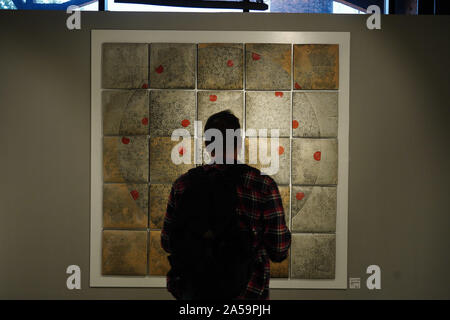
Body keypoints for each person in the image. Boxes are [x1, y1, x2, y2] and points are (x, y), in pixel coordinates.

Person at [161, 110, 291, 300]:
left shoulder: (183, 184)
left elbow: (168, 243)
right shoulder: (261, 185)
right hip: (247, 292)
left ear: (207, 144)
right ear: (238, 142)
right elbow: (278, 250)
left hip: (195, 292)